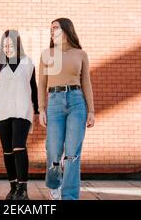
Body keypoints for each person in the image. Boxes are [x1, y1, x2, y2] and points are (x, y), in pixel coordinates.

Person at [38, 18, 95, 200]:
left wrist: (91, 110)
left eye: (55, 27)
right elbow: (42, 84)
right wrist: (41, 109)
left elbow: (86, 82)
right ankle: (54, 183)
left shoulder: (81, 54)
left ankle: (69, 195)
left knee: (72, 152)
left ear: (66, 30)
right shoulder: (47, 54)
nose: (52, 31)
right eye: (50, 28)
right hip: (54, 102)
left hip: (76, 102)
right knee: (53, 149)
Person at [0, 30, 39, 200]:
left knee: (18, 146)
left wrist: (37, 109)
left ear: (17, 44)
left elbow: (34, 88)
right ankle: (13, 186)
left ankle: (23, 189)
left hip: (22, 110)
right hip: (2, 111)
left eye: (10, 45)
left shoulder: (28, 63)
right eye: (5, 45)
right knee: (7, 151)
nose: (7, 48)